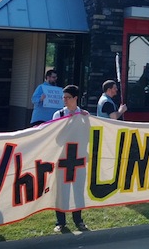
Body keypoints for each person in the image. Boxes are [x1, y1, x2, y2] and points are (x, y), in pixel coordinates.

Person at [52, 85, 90, 232]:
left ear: (75, 98)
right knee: (61, 190)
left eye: (68, 97)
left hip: (78, 158)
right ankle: (60, 221)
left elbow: (87, 135)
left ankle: (78, 220)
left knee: (78, 189)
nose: (65, 100)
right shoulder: (59, 115)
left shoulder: (84, 116)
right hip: (63, 158)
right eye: (64, 97)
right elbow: (55, 136)